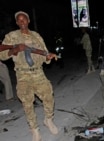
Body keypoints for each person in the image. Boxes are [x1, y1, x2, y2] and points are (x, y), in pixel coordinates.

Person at [0, 11, 58, 141]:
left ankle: (48, 120)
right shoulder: (11, 36)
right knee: (27, 103)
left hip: (38, 72)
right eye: (19, 20)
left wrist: (48, 56)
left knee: (48, 96)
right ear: (16, 22)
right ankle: (34, 129)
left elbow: (44, 53)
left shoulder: (36, 36)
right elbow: (2, 55)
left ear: (28, 21)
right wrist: (15, 49)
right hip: (22, 74)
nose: (22, 22)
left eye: (24, 19)